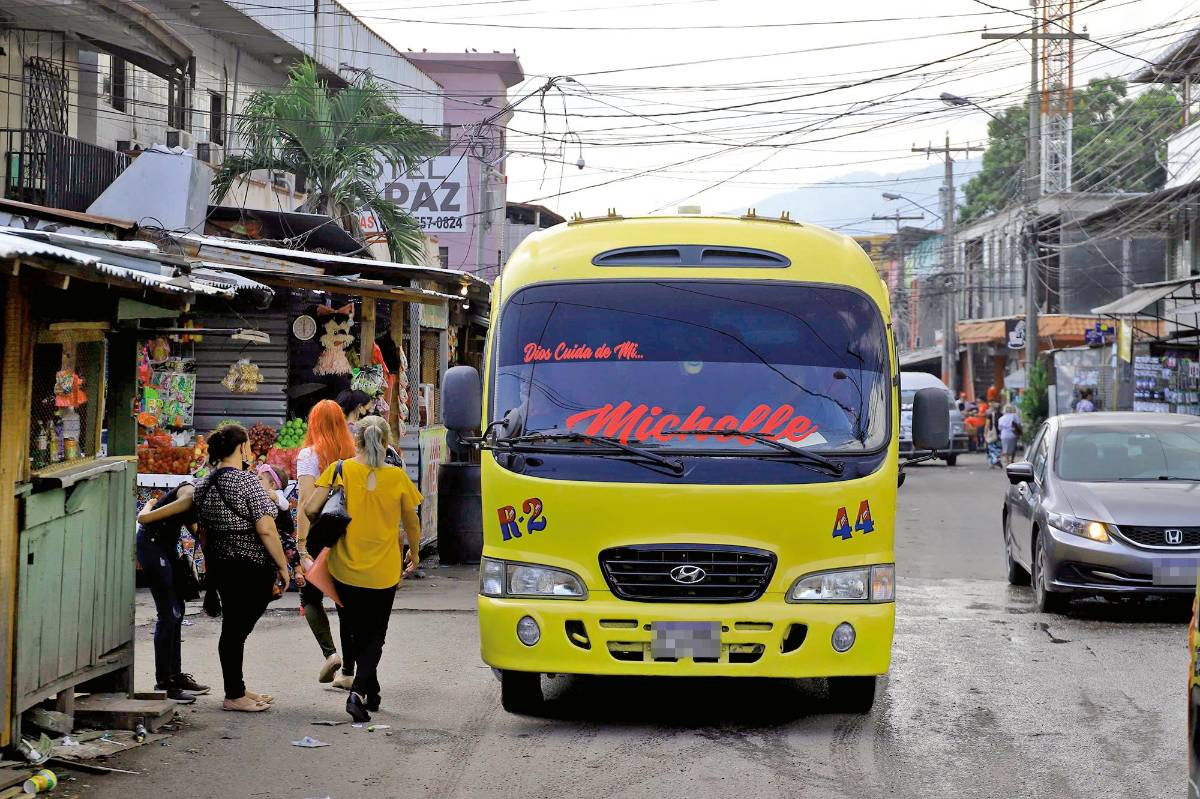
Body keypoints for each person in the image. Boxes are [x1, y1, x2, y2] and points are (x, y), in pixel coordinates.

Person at [304, 415, 421, 722]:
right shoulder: (397, 478)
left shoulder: (340, 469)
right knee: (375, 634)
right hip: (384, 570)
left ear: (355, 441)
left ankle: (372, 687)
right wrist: (416, 554)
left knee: (357, 630)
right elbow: (411, 522)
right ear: (386, 443)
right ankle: (358, 692)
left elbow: (310, 509)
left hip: (345, 567)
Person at [194, 425, 291, 713]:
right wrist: (283, 566)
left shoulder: (203, 485)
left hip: (222, 565)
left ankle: (237, 687)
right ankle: (233, 694)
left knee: (234, 628)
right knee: (236, 630)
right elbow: (266, 528)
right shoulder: (247, 483)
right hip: (249, 565)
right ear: (241, 449)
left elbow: (202, 532)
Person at [295, 400, 358, 688]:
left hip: (320, 536)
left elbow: (306, 505)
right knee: (344, 601)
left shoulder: (309, 455)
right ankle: (348, 669)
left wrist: (302, 546)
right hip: (347, 535)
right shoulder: (354, 453)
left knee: (310, 597)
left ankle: (330, 653)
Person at [135, 483, 210, 703]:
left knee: (178, 610)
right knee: (169, 613)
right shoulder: (188, 497)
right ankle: (164, 682)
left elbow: (199, 533)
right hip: (151, 545)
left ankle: (176, 676)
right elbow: (144, 519)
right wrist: (147, 506)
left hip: (166, 547)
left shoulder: (198, 503)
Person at [983, 403, 1002, 468]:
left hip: (992, 434)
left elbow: (987, 425)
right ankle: (997, 459)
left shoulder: (990, 415)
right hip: (999, 434)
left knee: (991, 448)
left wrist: (985, 433)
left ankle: (993, 461)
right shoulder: (1001, 414)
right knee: (998, 448)